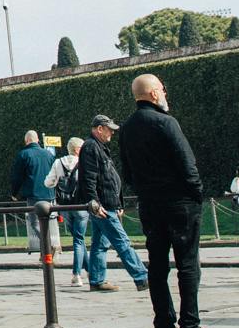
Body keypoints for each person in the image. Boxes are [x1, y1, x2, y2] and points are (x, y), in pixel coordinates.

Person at [117, 73, 215, 328]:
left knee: (157, 266)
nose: (165, 94)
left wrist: (146, 192)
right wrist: (196, 194)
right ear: (154, 94)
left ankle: (164, 324)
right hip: (179, 202)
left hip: (150, 204)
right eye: (162, 89)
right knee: (188, 265)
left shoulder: (126, 129)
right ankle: (191, 327)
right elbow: (187, 164)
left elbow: (127, 171)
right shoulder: (166, 123)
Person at [76, 115, 147, 296]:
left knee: (100, 244)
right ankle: (142, 276)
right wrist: (95, 202)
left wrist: (118, 203)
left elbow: (107, 178)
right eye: (109, 129)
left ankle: (97, 280)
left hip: (107, 204)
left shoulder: (97, 147)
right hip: (103, 206)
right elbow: (89, 178)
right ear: (99, 128)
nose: (112, 133)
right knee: (122, 242)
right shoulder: (92, 147)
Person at [45, 137, 88, 286]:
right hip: (81, 204)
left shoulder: (58, 163)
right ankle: (76, 274)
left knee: (78, 238)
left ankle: (89, 270)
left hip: (64, 205)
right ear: (77, 150)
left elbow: (48, 182)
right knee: (79, 239)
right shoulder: (83, 163)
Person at [9, 131, 59, 255]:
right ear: (37, 140)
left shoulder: (23, 154)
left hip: (33, 194)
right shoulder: (48, 154)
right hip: (49, 193)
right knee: (46, 221)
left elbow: (17, 177)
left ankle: (48, 245)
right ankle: (45, 251)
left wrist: (14, 194)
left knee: (34, 223)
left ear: (26, 141)